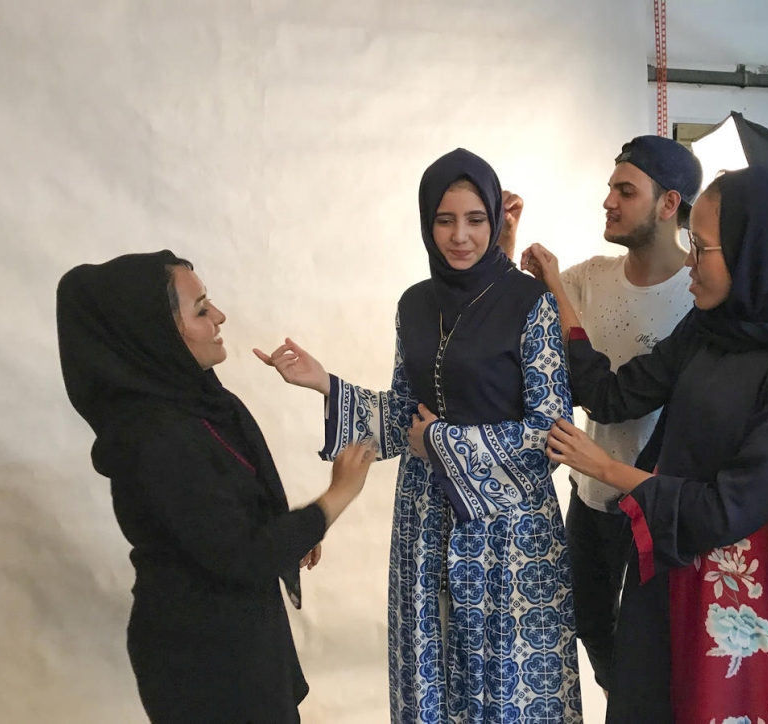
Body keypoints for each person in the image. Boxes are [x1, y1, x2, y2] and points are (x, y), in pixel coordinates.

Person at [529, 167, 768, 723]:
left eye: (702, 248)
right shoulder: (710, 327)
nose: (689, 263)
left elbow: (731, 507)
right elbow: (612, 396)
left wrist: (609, 469)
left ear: (758, 253)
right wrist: (559, 294)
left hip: (739, 600)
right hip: (671, 568)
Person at [256, 149, 582, 723]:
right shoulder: (415, 304)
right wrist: (324, 384)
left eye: (475, 220)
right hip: (425, 521)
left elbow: (553, 433)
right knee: (431, 676)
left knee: (508, 689)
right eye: (444, 220)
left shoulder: (531, 305)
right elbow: (405, 419)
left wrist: (444, 443)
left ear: (495, 221)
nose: (459, 236)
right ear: (426, 222)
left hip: (509, 535)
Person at [56, 250, 373, 723]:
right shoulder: (155, 437)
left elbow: (231, 508)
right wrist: (334, 499)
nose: (220, 316)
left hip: (236, 638)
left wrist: (291, 532)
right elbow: (242, 555)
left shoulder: (199, 404)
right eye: (201, 309)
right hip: (204, 661)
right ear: (157, 332)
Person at [513, 135, 700, 693]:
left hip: (651, 499)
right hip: (589, 496)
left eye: (626, 189)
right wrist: (506, 241)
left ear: (669, 205)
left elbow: (610, 396)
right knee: (590, 623)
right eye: (610, 188)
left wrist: (555, 288)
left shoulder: (698, 298)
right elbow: (512, 312)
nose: (609, 201)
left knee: (655, 643)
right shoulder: (591, 277)